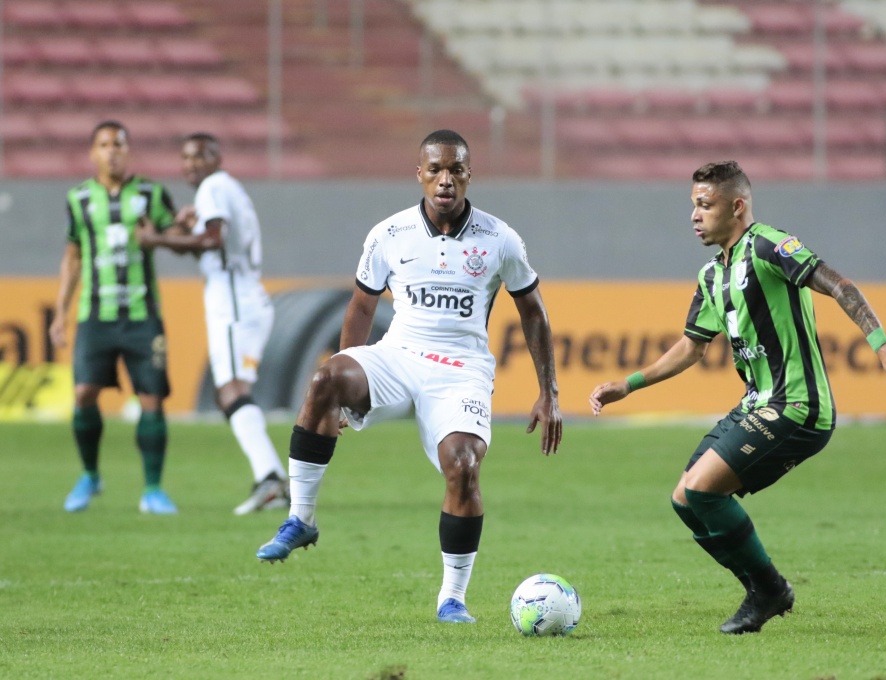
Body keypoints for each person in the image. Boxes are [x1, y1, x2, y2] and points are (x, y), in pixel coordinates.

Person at [588, 160, 886, 635]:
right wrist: (629, 383)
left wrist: (880, 342)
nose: (695, 215)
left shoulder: (767, 245)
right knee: (685, 499)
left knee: (703, 490)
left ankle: (768, 590)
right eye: (692, 205)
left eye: (705, 205)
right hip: (757, 403)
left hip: (798, 406)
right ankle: (764, 589)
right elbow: (691, 348)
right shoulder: (710, 275)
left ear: (737, 206)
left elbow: (838, 284)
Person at [253, 129, 563, 624]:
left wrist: (548, 392)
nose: (445, 180)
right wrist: (346, 392)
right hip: (398, 354)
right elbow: (361, 305)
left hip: (461, 369)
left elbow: (534, 313)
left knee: (463, 467)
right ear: (418, 173)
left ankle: (452, 598)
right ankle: (300, 518)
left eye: (455, 170)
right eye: (435, 169)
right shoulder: (389, 234)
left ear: (468, 175)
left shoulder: (500, 238)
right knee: (322, 381)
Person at [137, 132, 289, 515]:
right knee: (232, 395)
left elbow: (212, 241)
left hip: (234, 299)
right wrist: (180, 232)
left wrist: (154, 240)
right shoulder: (225, 188)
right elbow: (208, 242)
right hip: (242, 296)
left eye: (199, 155)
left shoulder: (214, 187)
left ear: (216, 157)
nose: (190, 164)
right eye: (185, 157)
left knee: (231, 391)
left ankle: (271, 479)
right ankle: (270, 478)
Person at [51, 120, 179, 514]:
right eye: (104, 145)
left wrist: (172, 230)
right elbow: (73, 257)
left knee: (151, 399)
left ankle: (153, 489)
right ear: (93, 153)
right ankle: (90, 475)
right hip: (95, 315)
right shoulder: (79, 199)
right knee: (83, 393)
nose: (112, 151)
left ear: (128, 150)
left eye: (119, 144)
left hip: (143, 315)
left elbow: (175, 236)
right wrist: (61, 313)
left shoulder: (151, 194)